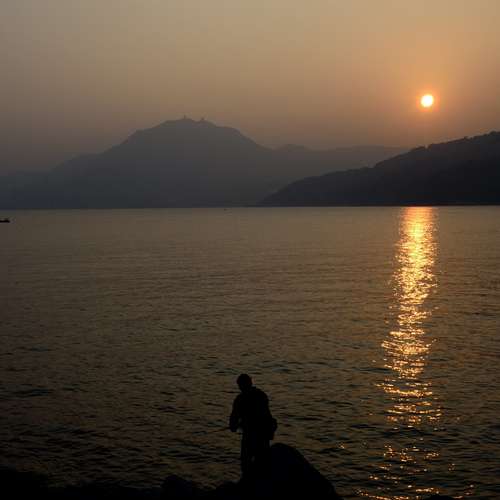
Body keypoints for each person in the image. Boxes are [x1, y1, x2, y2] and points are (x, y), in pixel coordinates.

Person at [229, 374, 276, 478]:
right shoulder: (261, 395)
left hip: (249, 437)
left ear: (240, 385)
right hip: (263, 436)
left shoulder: (240, 399)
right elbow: (267, 415)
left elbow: (233, 423)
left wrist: (234, 426)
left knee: (246, 465)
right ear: (251, 383)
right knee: (263, 466)